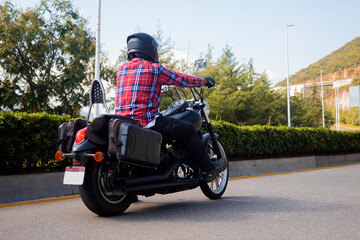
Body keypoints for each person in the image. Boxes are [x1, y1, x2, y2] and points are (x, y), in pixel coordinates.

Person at [115, 32, 226, 182]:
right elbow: (181, 79)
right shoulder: (154, 69)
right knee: (187, 129)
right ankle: (208, 169)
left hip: (122, 123)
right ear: (150, 49)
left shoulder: (121, 69)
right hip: (146, 122)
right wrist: (204, 81)